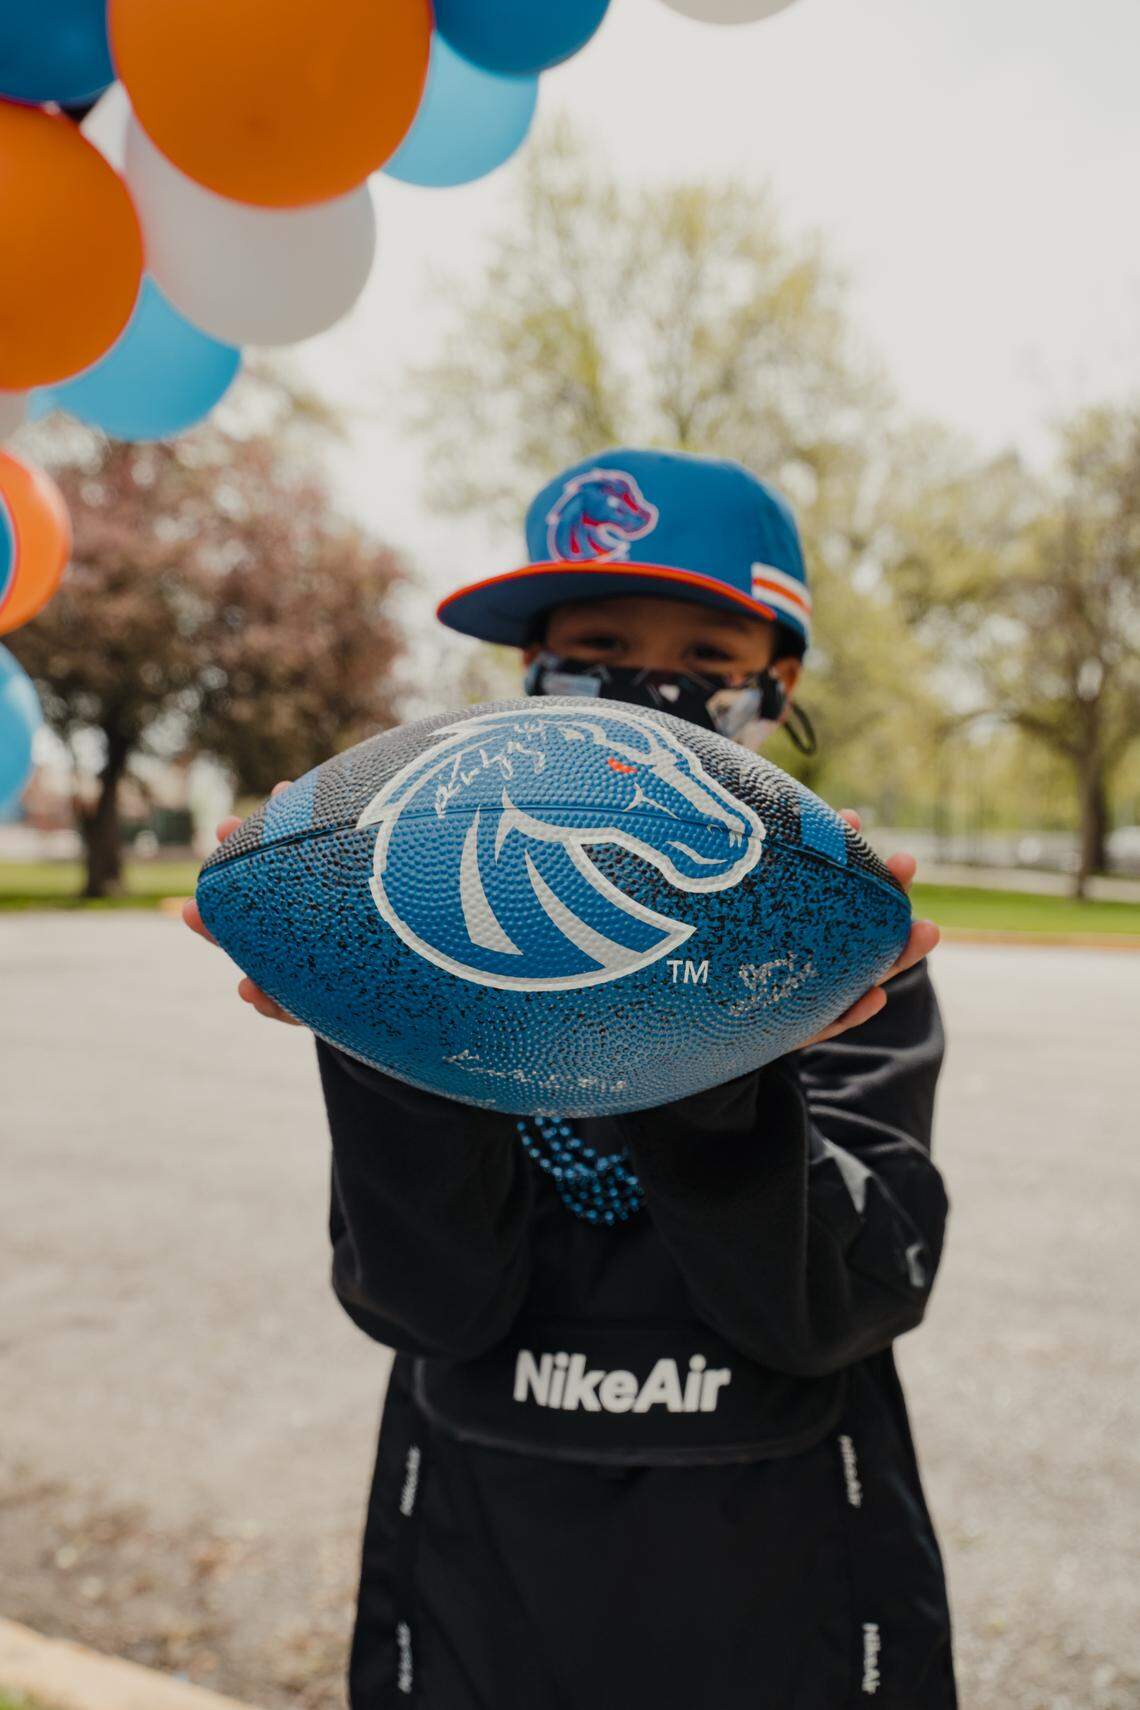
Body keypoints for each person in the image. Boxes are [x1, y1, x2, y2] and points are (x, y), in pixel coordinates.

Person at [185, 448, 955, 1709]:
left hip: (784, 1559)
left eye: (708, 661)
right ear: (531, 677)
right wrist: (380, 1028)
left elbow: (844, 1304)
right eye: (600, 642)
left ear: (780, 686)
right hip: (485, 1559)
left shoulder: (838, 953)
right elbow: (423, 1303)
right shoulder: (424, 933)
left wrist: (719, 1051)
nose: (650, 687)